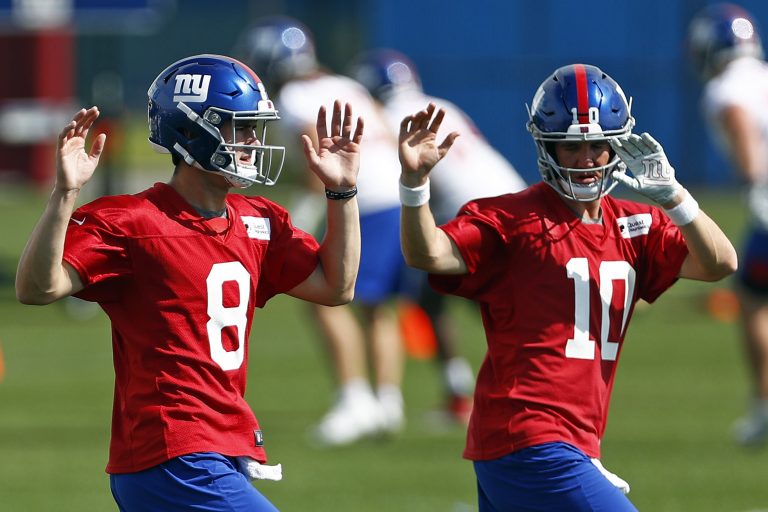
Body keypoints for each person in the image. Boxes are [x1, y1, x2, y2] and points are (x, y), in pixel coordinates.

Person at [15, 54, 364, 511]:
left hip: (222, 447)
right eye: (240, 128)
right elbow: (37, 288)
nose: (253, 142)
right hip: (172, 453)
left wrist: (342, 193)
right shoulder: (132, 221)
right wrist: (64, 195)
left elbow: (336, 287)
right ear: (190, 132)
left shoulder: (259, 219)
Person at [397, 64, 737, 510]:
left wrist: (676, 197)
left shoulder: (635, 224)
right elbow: (429, 254)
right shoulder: (513, 219)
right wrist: (414, 184)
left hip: (556, 440)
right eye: (570, 147)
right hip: (531, 434)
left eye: (597, 145)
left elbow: (720, 263)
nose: (586, 159)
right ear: (546, 146)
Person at [236, 17, 407, 445]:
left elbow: (319, 158)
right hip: (394, 197)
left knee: (323, 295)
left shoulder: (297, 94)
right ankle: (387, 402)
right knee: (377, 308)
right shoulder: (348, 84)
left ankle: (355, 400)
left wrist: (301, 215)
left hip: (360, 202)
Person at [349, 48, 527, 424]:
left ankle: (477, 393)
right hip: (515, 199)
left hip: (474, 213)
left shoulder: (388, 115)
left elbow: (384, 176)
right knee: (445, 298)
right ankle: (475, 389)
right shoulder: (438, 103)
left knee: (460, 299)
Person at [688, 2, 768, 447]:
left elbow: (743, 134)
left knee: (754, 298)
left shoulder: (725, 90)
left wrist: (752, 179)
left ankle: (763, 405)